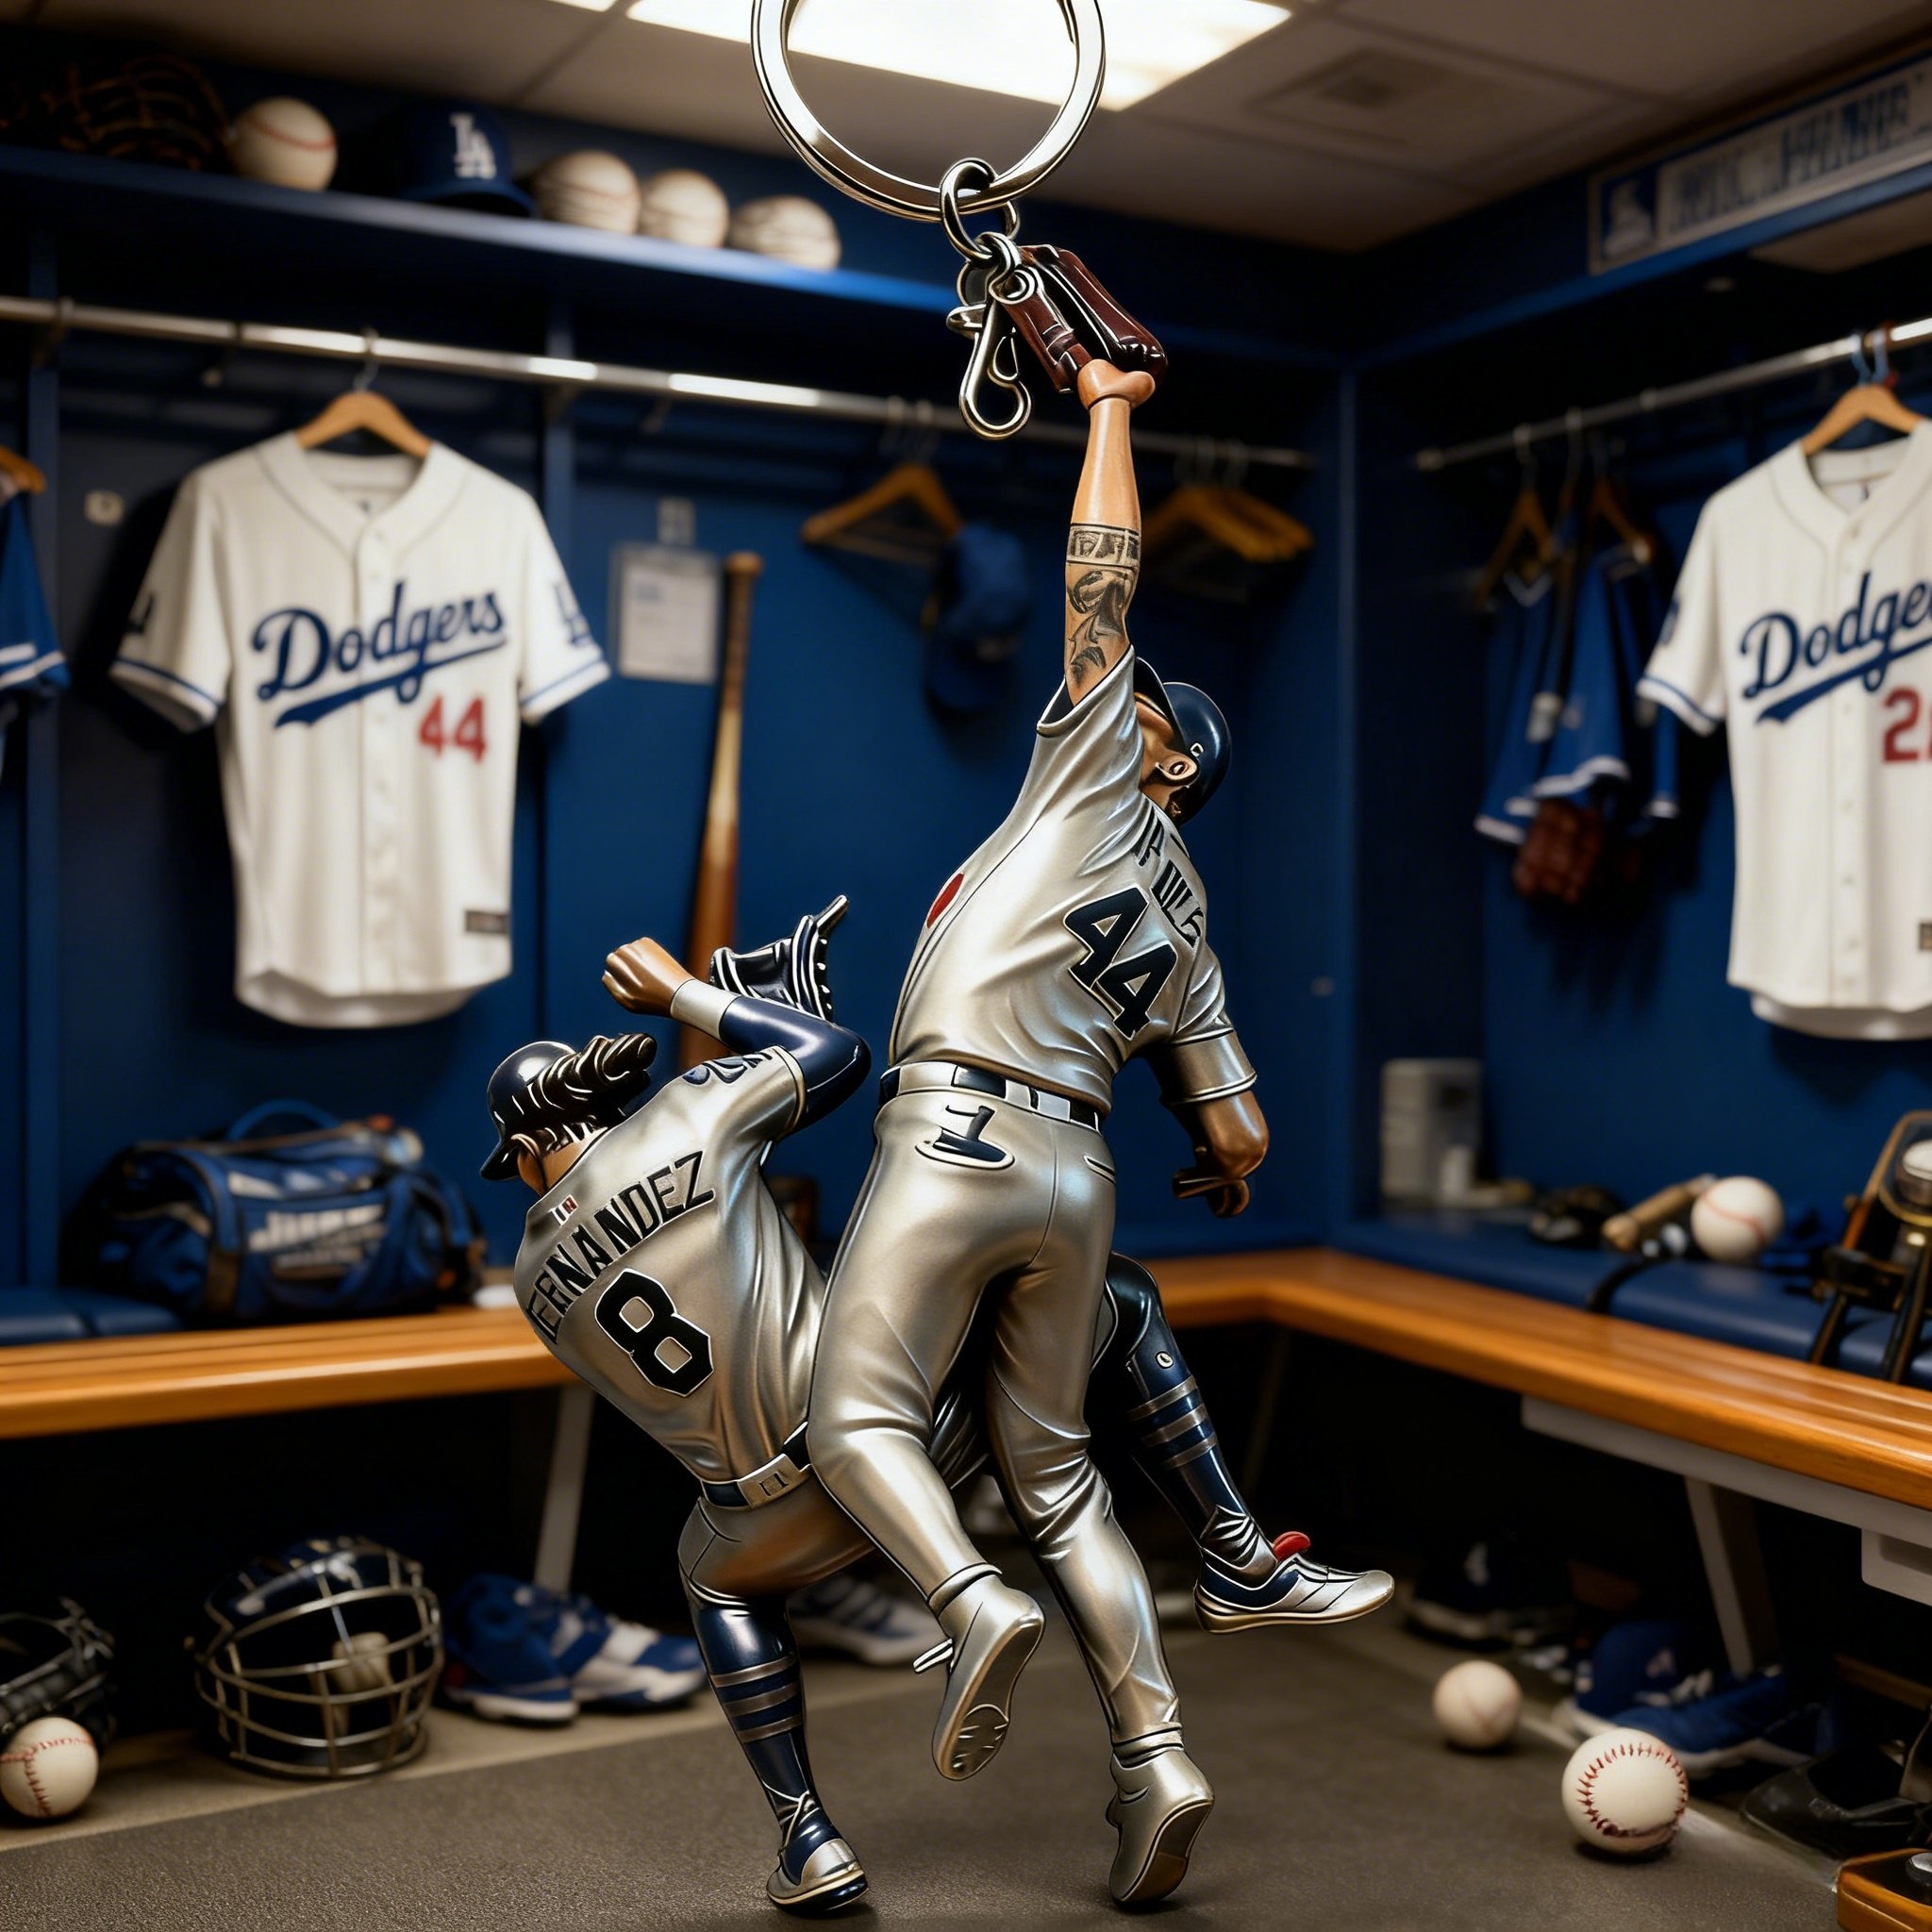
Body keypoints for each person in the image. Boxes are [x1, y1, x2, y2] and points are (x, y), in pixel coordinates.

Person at [487, 920, 1389, 1912]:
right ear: (597, 1098)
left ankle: (808, 1836)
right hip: (896, 1432)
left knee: (708, 1584)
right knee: (1114, 1307)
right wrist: (692, 1000)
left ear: (530, 1145)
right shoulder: (681, 1114)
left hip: (762, 1521)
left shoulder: (530, 1278)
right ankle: (1227, 1551)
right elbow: (833, 1057)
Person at [807, 354, 1322, 1877]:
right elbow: (1238, 1137)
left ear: (1164, 763)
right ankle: (1153, 1754)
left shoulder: (1098, 780)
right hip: (1078, 1172)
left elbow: (1101, 575)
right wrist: (1213, 1171)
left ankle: (966, 1601)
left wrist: (1103, 408)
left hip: (956, 1133)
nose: (1123, 695)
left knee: (852, 1416)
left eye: (1150, 714)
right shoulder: (1195, 910)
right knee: (1060, 1476)